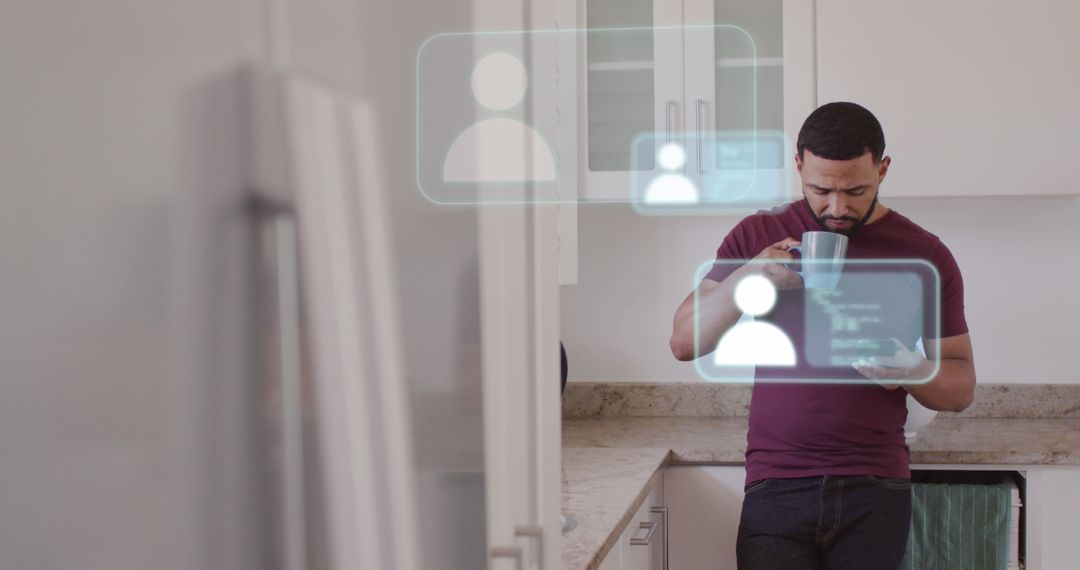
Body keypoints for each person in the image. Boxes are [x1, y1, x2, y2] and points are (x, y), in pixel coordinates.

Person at [668, 102, 976, 569]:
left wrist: (911, 370)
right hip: (776, 483)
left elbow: (960, 388)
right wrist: (749, 278)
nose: (837, 208)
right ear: (798, 167)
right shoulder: (759, 234)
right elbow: (685, 343)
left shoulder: (924, 254)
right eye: (820, 190)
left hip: (875, 486)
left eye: (855, 190)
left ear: (883, 169)